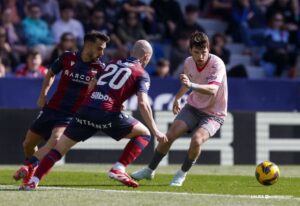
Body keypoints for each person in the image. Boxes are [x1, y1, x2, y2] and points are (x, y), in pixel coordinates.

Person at [20, 40, 168, 190]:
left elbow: (91, 84)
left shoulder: (112, 62)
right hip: (106, 112)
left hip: (86, 109)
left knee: (59, 149)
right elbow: (143, 103)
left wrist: (98, 100)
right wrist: (156, 130)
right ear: (147, 56)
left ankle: (33, 181)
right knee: (145, 134)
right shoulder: (141, 73)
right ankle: (119, 168)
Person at [13, 31, 110, 187]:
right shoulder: (67, 57)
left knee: (56, 140)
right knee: (28, 144)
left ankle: (29, 167)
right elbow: (51, 73)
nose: (102, 52)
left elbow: (104, 91)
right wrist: (43, 95)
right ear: (88, 45)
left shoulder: (101, 68)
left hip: (71, 114)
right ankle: (31, 168)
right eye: (99, 48)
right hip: (52, 108)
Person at [132, 31, 228, 186]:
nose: (201, 57)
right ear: (190, 50)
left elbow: (212, 90)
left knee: (197, 140)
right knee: (169, 136)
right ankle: (150, 170)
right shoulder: (189, 62)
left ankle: (181, 174)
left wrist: (191, 85)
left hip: (214, 113)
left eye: (204, 52)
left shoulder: (217, 64)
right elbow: (188, 82)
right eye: (196, 52)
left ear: (209, 49)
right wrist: (177, 98)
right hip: (193, 107)